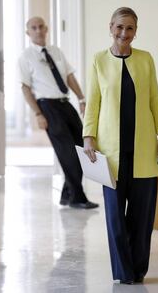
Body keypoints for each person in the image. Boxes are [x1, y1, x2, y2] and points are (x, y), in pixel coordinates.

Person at [82, 7, 158, 284]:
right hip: (111, 154)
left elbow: (155, 98)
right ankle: (123, 272)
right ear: (111, 27)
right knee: (115, 217)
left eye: (130, 28)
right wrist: (88, 137)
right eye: (119, 27)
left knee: (142, 218)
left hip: (143, 150)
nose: (124, 33)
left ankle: (138, 269)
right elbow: (93, 102)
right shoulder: (98, 60)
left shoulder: (145, 60)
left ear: (136, 31)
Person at [18, 16, 98, 209]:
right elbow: (25, 88)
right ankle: (77, 198)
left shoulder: (56, 51)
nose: (38, 30)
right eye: (33, 28)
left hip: (65, 103)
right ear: (28, 32)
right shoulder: (25, 57)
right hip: (47, 107)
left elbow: (69, 76)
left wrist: (81, 98)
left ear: (46, 29)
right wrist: (38, 114)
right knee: (67, 153)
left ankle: (67, 194)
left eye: (41, 27)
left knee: (82, 147)